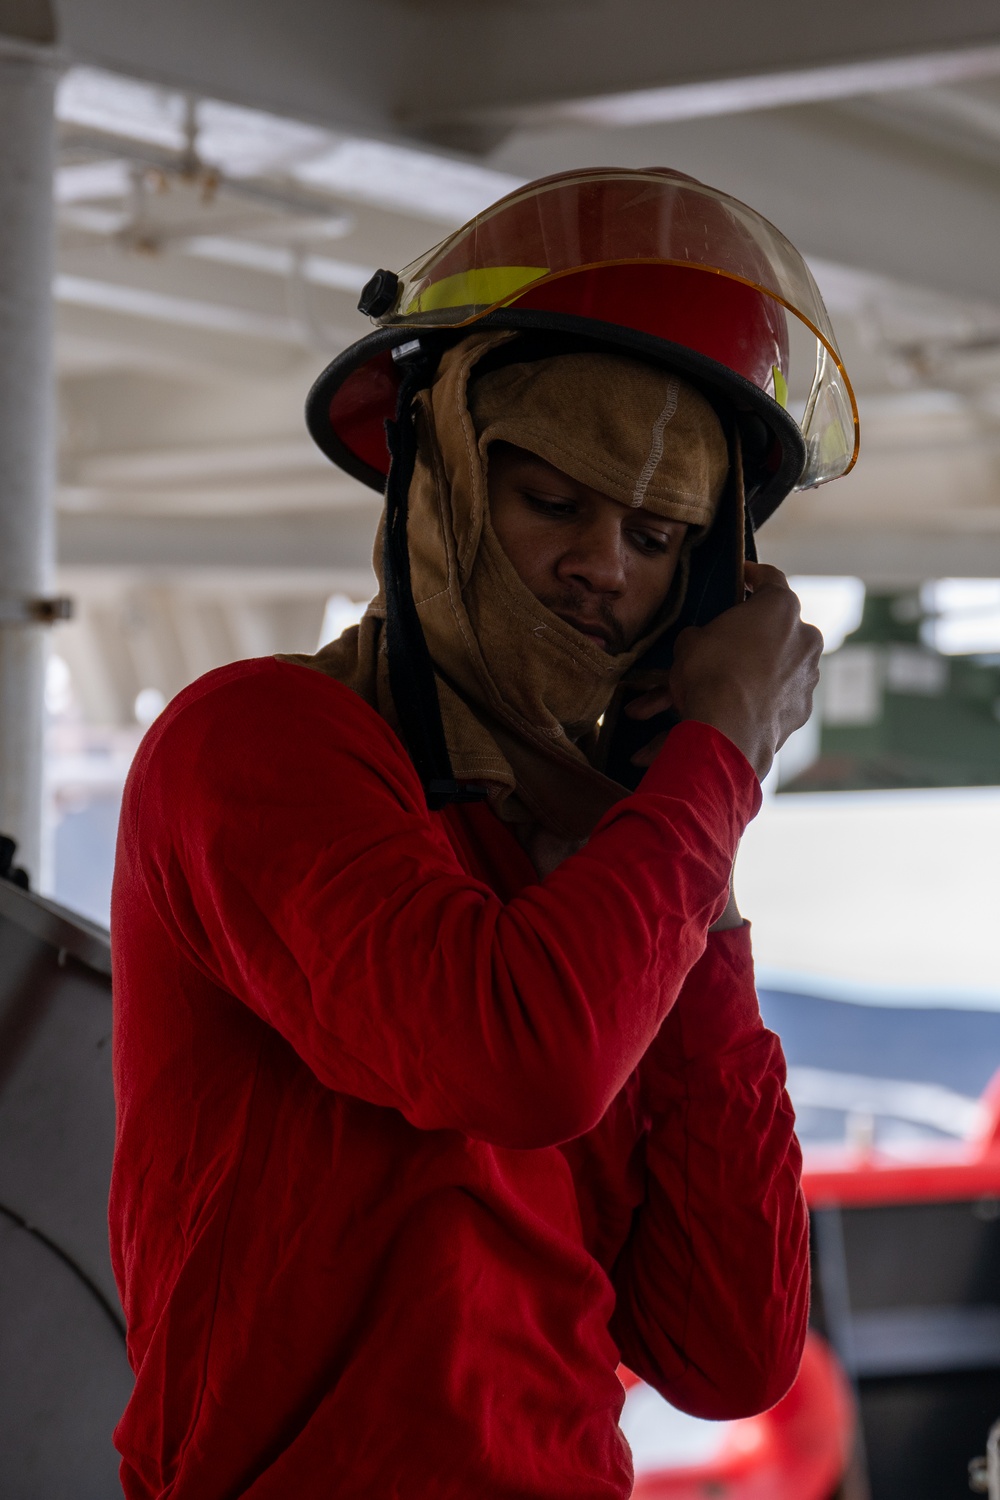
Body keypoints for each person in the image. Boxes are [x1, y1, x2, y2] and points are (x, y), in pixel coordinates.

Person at [108, 167, 856, 1499]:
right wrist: (716, 766)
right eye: (552, 502)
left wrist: (699, 866)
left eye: (656, 532)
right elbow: (518, 1057)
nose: (603, 567)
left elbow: (729, 1347)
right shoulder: (260, 742)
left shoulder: (618, 862)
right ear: (440, 476)